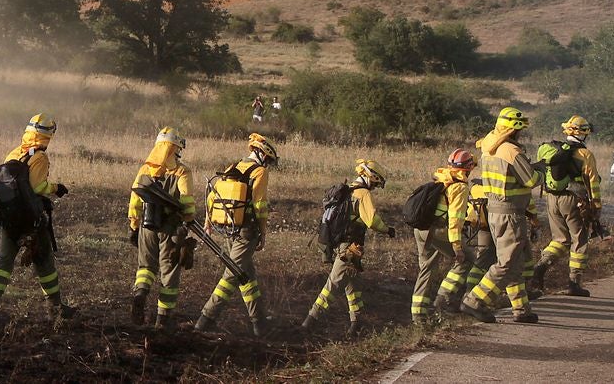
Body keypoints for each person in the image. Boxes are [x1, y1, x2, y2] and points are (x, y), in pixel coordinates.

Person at [0, 113, 75, 322]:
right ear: (47, 135)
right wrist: (57, 188)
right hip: (31, 220)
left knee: (4, 259)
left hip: (7, 218)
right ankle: (55, 307)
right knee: (44, 262)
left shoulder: (14, 153)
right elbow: (37, 186)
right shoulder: (39, 157)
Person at [460, 107, 542, 324]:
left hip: (495, 211)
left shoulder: (489, 147)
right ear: (513, 130)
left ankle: (521, 309)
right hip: (510, 214)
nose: (521, 134)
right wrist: (541, 170)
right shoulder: (511, 151)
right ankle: (475, 301)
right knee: (506, 262)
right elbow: (532, 180)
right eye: (520, 130)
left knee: (514, 262)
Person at [194, 133, 279, 337]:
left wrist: (208, 223)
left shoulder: (234, 167)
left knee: (247, 275)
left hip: (229, 229)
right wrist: (263, 232)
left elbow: (213, 198)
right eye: (268, 160)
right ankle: (205, 319)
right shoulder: (259, 172)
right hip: (247, 231)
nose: (267, 164)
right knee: (231, 274)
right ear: (261, 154)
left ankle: (259, 322)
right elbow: (259, 206)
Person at [301, 159, 395, 338]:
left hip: (340, 244)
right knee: (334, 283)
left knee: (352, 285)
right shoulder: (362, 194)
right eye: (375, 183)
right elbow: (372, 221)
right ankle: (310, 320)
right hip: (350, 247)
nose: (374, 187)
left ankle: (356, 324)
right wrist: (388, 229)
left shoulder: (347, 190)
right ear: (370, 178)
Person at [128, 126, 196, 329]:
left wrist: (134, 225)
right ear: (175, 148)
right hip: (170, 229)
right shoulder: (182, 171)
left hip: (147, 227)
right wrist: (188, 219)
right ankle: (163, 320)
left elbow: (135, 200)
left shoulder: (145, 169)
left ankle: (140, 293)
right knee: (169, 272)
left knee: (146, 267)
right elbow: (187, 202)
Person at [529, 115, 603, 298]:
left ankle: (540, 267)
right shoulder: (585, 154)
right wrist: (596, 206)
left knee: (560, 240)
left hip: (552, 199)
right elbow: (592, 183)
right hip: (574, 200)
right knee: (579, 241)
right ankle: (574, 283)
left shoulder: (552, 150)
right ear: (584, 133)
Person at [412, 149, 474, 324]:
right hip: (437, 231)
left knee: (427, 268)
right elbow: (455, 219)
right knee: (467, 259)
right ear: (468, 168)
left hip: (420, 229)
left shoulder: (441, 177)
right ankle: (443, 299)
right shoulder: (460, 187)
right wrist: (457, 246)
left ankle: (419, 315)